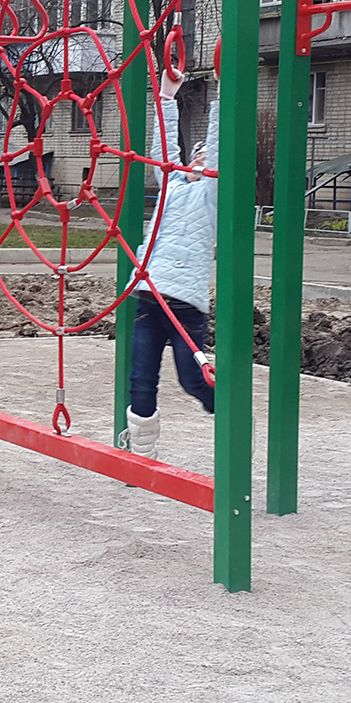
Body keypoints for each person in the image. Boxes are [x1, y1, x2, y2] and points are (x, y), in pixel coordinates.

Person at [121, 75, 222, 461]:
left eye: (206, 158)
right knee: (141, 381)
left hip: (184, 304)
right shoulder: (171, 185)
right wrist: (166, 96)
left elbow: (219, 148)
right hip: (149, 296)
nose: (200, 161)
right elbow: (162, 148)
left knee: (192, 379)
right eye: (196, 157)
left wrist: (221, 88)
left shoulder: (211, 195)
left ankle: (229, 415)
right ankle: (141, 455)